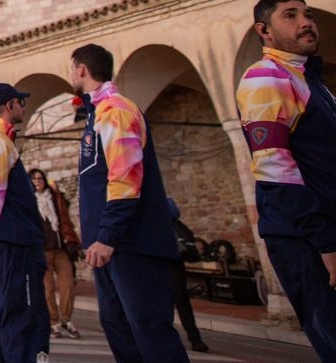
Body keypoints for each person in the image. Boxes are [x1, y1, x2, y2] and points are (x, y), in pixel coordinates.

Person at [234, 0, 336, 362]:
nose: (305, 22)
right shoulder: (265, 77)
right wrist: (329, 247)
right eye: (290, 16)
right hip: (313, 243)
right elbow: (275, 170)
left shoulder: (311, 82)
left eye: (307, 14)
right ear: (265, 31)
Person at [69, 43, 188, 363]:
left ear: (81, 69)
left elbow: (126, 178)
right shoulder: (97, 114)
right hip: (109, 249)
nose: (72, 75)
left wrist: (107, 235)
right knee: (117, 327)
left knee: (149, 329)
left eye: (72, 69)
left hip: (131, 244)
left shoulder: (116, 111)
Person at [0, 82, 50, 363]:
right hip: (14, 240)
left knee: (4, 308)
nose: (24, 107)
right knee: (20, 311)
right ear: (10, 105)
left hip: (8, 238)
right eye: (20, 102)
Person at [30, 167, 81, 340]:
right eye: (34, 179)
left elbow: (65, 218)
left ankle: (66, 320)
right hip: (41, 250)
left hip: (60, 249)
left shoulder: (55, 198)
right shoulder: (28, 201)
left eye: (39, 178)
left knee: (68, 284)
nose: (37, 181)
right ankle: (54, 322)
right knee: (47, 288)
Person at [166, 198, 210, 354]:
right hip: (151, 258)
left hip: (171, 256)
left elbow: (172, 212)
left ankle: (195, 338)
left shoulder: (162, 199)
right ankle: (167, 338)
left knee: (181, 298)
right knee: (161, 302)